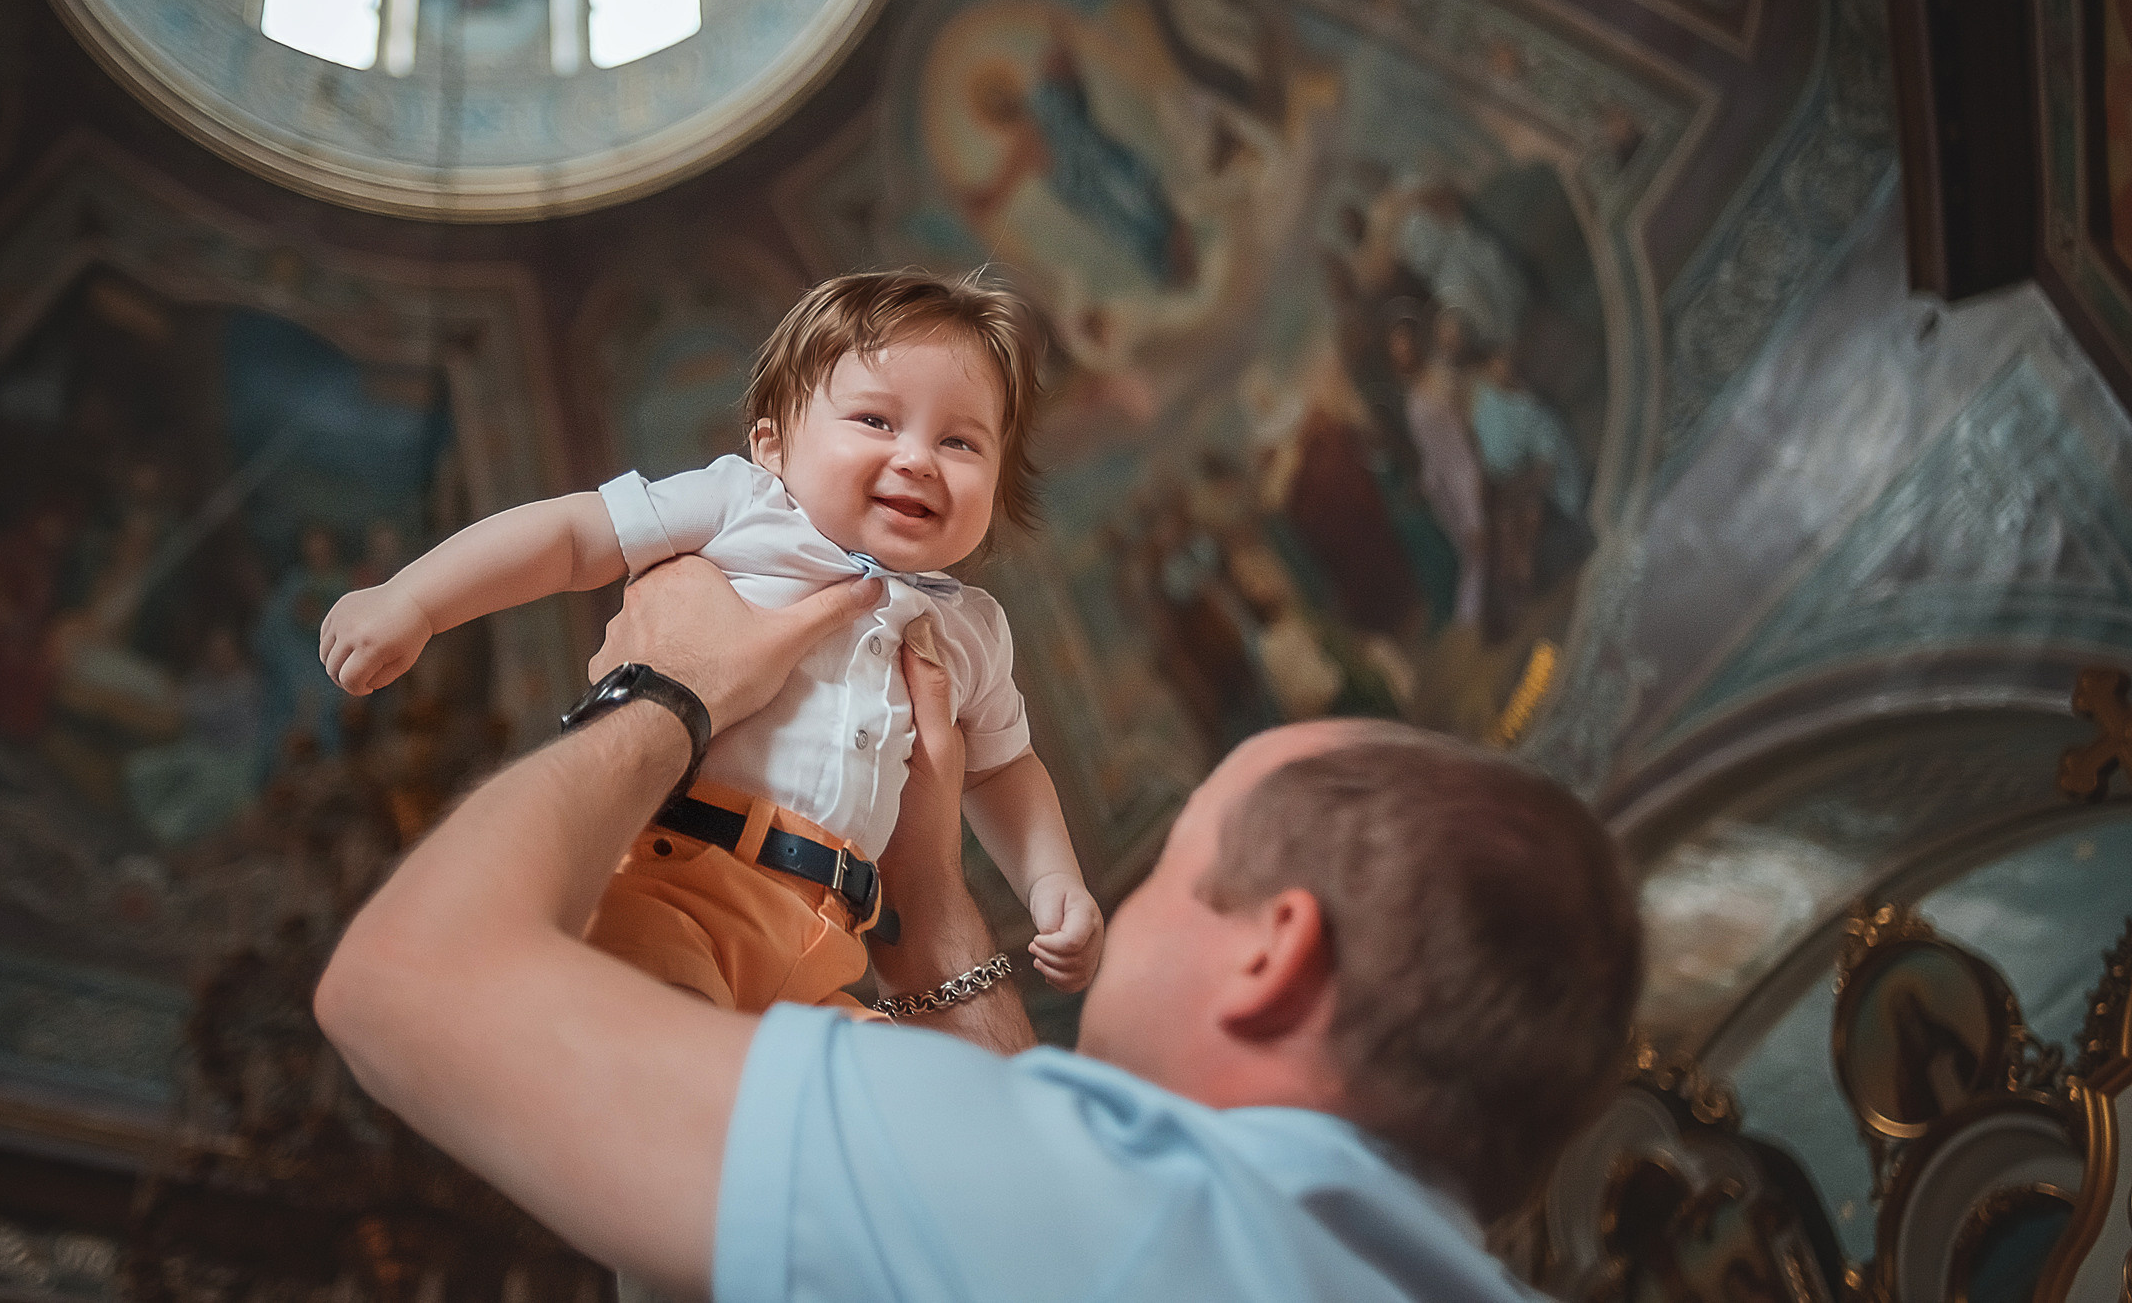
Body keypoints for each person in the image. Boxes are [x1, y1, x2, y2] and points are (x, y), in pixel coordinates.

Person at [314, 555, 1642, 1299]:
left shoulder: (1140, 1216)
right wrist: (932, 898)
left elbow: (407, 979)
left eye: (1177, 861)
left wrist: (669, 688)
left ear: (1272, 951)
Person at [318, 271, 1102, 1012]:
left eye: (962, 443)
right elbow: (571, 536)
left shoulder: (971, 628)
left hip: (833, 947)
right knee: (667, 1044)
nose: (917, 458)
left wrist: (1052, 880)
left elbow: (1003, 766)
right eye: (875, 420)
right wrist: (411, 599)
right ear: (772, 445)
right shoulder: (744, 506)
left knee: (886, 1110)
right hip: (677, 884)